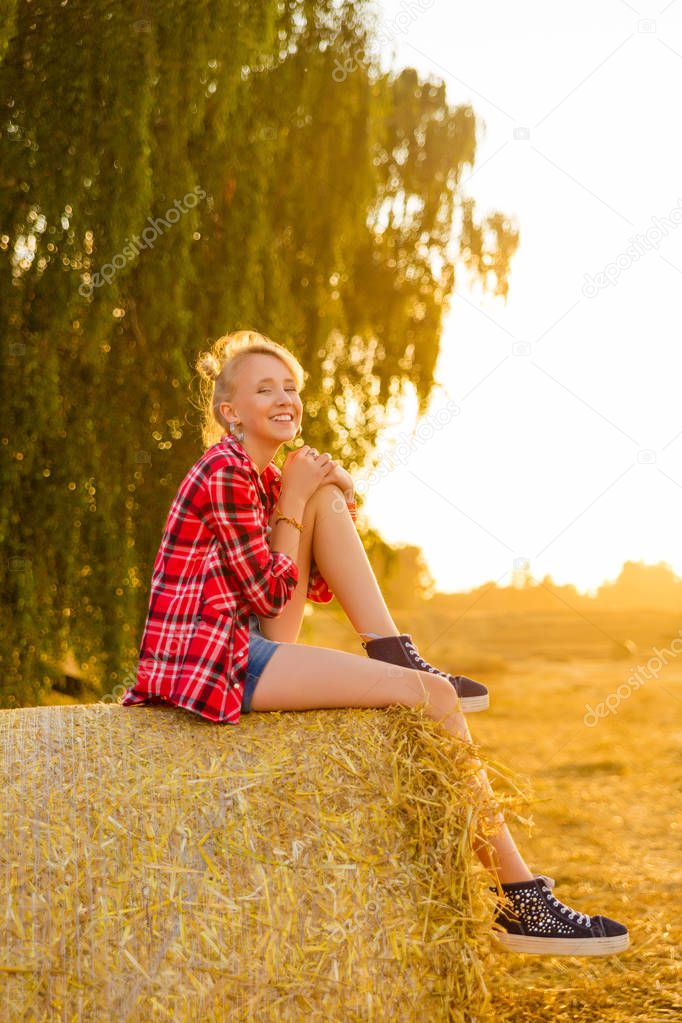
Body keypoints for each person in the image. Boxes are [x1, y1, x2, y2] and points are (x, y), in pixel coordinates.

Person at [120, 329, 629, 957]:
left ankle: (390, 647)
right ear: (230, 412)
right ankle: (517, 897)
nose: (285, 398)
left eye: (290, 387)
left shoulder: (256, 477)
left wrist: (319, 496)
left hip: (243, 639)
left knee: (327, 491)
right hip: (216, 661)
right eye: (264, 388)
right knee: (436, 699)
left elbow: (304, 580)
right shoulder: (222, 469)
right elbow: (272, 598)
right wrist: (296, 498)